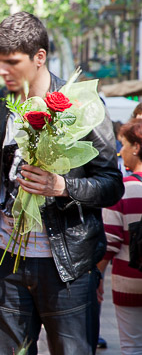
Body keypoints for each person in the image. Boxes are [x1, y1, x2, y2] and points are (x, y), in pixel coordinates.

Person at [0, 12, 124, 355]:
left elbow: (112, 186)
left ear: (39, 57)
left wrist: (63, 186)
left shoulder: (81, 105)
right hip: (6, 263)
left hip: (67, 269)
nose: (2, 71)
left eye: (11, 62)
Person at [97, 119, 142, 355]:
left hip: (130, 279)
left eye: (123, 144)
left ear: (136, 147)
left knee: (132, 347)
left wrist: (97, 276)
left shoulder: (124, 188)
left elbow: (110, 241)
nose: (120, 151)